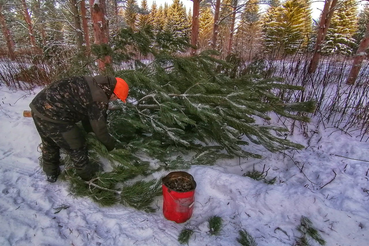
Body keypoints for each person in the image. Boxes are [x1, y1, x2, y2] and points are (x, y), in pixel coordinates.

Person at [29, 75, 129, 183]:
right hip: (54, 116)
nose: (114, 100)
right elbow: (100, 129)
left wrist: (90, 133)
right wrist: (111, 147)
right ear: (114, 93)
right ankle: (89, 178)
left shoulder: (93, 83)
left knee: (49, 142)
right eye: (117, 98)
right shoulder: (99, 97)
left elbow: (88, 115)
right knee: (77, 146)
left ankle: (51, 173)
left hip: (38, 108)